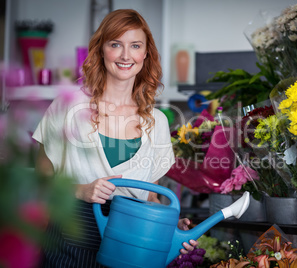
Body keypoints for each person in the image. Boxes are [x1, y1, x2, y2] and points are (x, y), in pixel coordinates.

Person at [33, 9, 197, 267]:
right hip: (70, 239)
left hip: (129, 244)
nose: (125, 55)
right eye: (115, 44)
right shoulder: (69, 106)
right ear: (101, 50)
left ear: (145, 53)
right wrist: (82, 190)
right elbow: (40, 182)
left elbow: (150, 197)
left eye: (135, 45)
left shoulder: (157, 122)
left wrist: (169, 226)